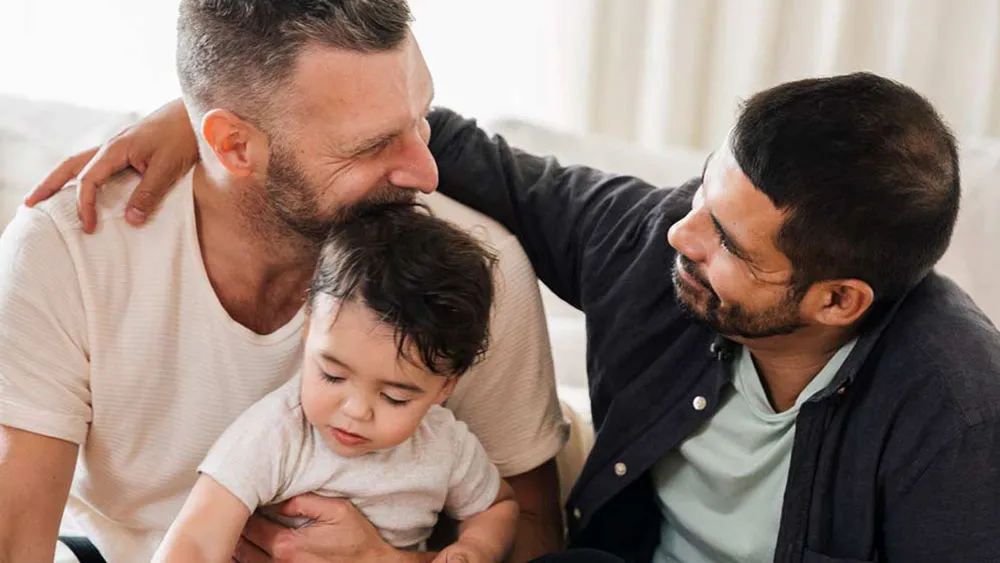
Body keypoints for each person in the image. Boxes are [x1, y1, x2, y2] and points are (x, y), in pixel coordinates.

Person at [37, 72, 1000, 563]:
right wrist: (206, 118)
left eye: (729, 244)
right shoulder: (650, 239)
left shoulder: (954, 413)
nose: (682, 235)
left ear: (837, 301)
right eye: (704, 193)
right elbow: (438, 139)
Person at [0, 1, 569, 562]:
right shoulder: (69, 250)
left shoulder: (470, 269)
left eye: (422, 120)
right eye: (371, 146)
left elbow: (532, 533)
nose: (426, 172)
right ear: (234, 146)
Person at [155, 204, 519, 563]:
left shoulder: (445, 444)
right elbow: (196, 541)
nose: (356, 411)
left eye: (394, 397)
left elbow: (497, 506)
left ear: (445, 387)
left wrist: (475, 549)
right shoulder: (277, 434)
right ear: (308, 329)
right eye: (333, 375)